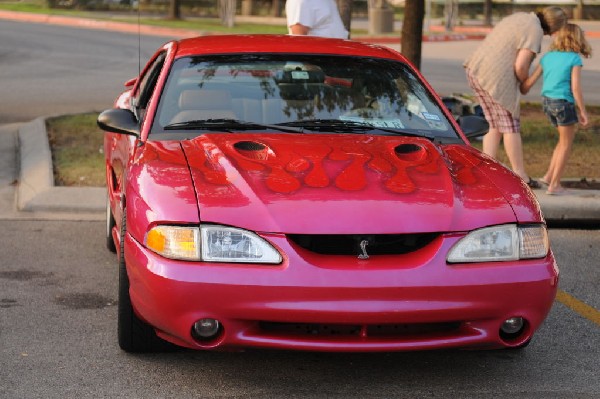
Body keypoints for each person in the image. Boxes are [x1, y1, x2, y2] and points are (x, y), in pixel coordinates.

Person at [463, 6, 568, 189]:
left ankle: (487, 170)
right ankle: (521, 177)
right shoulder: (534, 30)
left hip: (476, 69)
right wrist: (525, 81)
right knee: (510, 124)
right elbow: (520, 66)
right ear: (553, 27)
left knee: (494, 124)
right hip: (496, 77)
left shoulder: (520, 17)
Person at [520, 23, 592, 195]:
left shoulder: (548, 56)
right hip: (563, 103)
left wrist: (520, 87)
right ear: (577, 39)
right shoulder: (574, 59)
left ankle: (548, 176)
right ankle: (555, 185)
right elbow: (575, 88)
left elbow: (530, 81)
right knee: (566, 144)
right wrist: (583, 111)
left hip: (547, 103)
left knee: (562, 140)